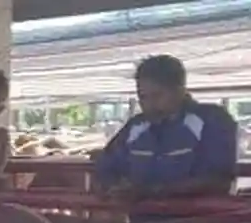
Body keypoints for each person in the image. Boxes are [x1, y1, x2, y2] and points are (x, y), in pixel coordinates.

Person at [95, 55, 237, 206]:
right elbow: (107, 166)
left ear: (180, 89)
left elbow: (219, 180)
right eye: (143, 97)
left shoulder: (212, 120)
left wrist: (150, 191)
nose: (148, 104)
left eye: (157, 96)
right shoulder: (136, 126)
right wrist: (111, 187)